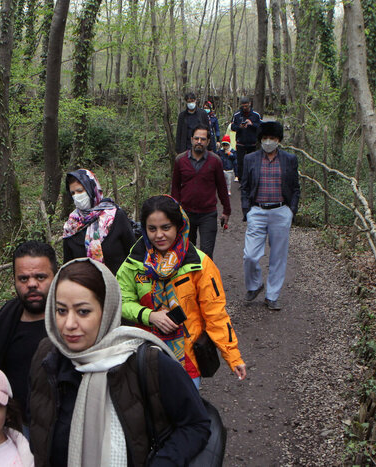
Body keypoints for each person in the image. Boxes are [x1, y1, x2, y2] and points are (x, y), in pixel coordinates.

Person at [29, 258, 212, 467]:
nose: (69, 324)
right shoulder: (47, 357)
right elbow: (38, 424)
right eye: (61, 310)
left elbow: (196, 424)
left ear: (107, 310)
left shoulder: (147, 363)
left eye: (83, 312)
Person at [116, 195, 247, 389]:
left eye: (165, 227)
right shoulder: (133, 264)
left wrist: (233, 357)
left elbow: (215, 314)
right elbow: (121, 302)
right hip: (145, 355)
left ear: (179, 226)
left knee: (185, 415)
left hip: (187, 360)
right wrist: (150, 316)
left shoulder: (199, 265)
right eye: (152, 229)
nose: (159, 235)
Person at [0, 240, 55, 431]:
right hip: (15, 426)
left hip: (60, 425)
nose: (32, 284)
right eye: (23, 279)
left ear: (55, 276)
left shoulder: (71, 322)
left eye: (40, 277)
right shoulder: (4, 322)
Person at [241, 121, 300, 311]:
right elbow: (244, 187)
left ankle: (272, 296)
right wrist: (247, 210)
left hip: (281, 211)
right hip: (257, 211)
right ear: (260, 140)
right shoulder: (250, 159)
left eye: (272, 138)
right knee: (250, 255)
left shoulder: (290, 159)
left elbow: (296, 187)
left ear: (279, 140)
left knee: (278, 256)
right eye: (265, 138)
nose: (268, 142)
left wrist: (291, 210)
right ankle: (255, 284)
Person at [171, 125, 231, 259]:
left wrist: (226, 210)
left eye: (203, 139)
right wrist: (174, 210)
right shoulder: (180, 160)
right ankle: (190, 280)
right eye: (196, 138)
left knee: (206, 254)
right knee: (187, 252)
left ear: (208, 142)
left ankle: (206, 279)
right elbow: (175, 187)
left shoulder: (215, 161)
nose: (199, 141)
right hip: (186, 213)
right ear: (191, 139)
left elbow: (222, 187)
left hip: (208, 214)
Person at [63, 169, 135, 275]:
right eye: (73, 193)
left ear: (92, 189)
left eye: (80, 191)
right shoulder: (72, 226)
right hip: (85, 288)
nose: (76, 196)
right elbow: (68, 266)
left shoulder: (116, 216)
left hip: (121, 287)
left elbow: (133, 254)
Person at [231, 96, 262, 182]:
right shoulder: (237, 115)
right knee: (240, 163)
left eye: (246, 106)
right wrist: (239, 127)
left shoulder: (256, 115)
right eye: (243, 106)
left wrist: (252, 124)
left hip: (252, 143)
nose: (245, 108)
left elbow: (261, 127)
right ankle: (242, 181)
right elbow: (232, 127)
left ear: (250, 104)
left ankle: (252, 180)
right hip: (240, 143)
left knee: (252, 163)